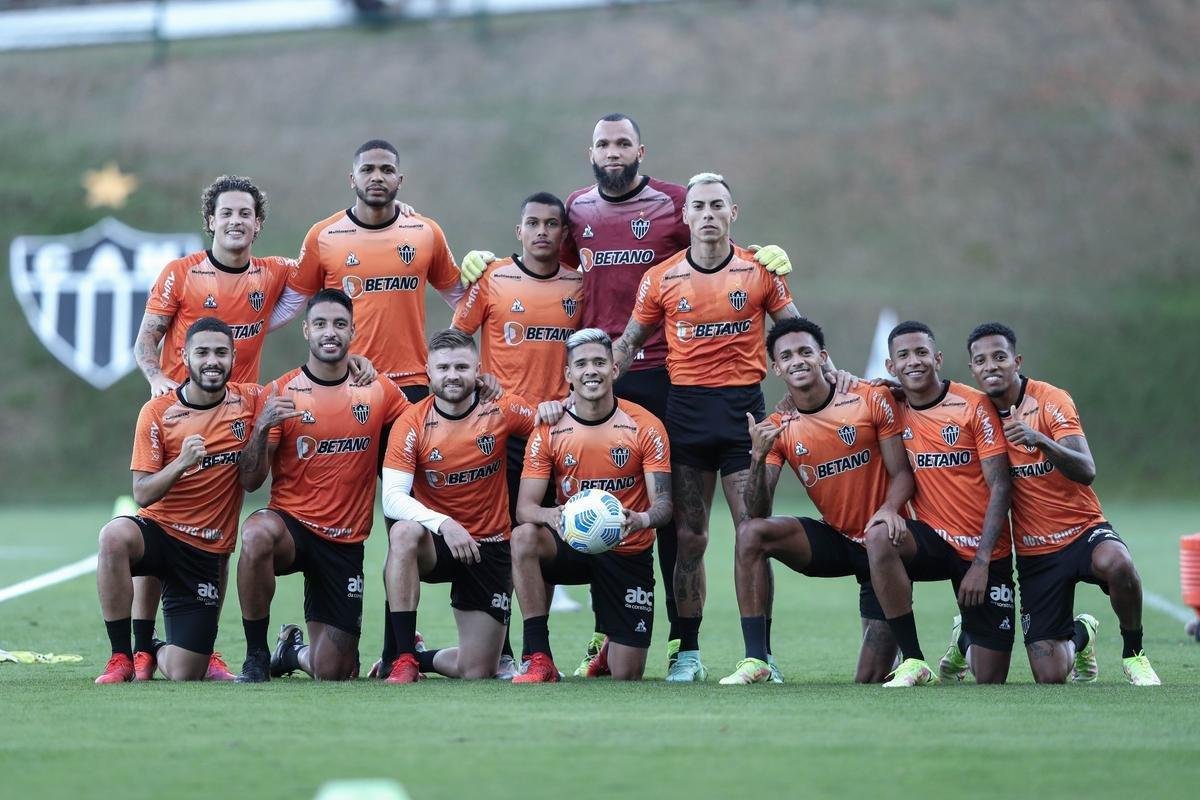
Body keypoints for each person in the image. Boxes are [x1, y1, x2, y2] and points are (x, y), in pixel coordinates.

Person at [458, 114, 794, 671]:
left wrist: (764, 254)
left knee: (676, 527)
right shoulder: (578, 209)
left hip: (674, 374)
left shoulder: (676, 201)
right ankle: (605, 635)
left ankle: (681, 645)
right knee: (599, 495)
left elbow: (718, 250)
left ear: (641, 149)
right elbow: (546, 263)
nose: (612, 152)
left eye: (622, 143)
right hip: (607, 368)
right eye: (602, 143)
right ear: (589, 150)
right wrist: (483, 264)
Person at [129, 175, 375, 681]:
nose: (236, 221)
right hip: (181, 415)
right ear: (211, 221)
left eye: (245, 213)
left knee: (218, 535)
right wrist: (156, 380)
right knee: (161, 522)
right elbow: (147, 339)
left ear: (258, 223)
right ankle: (138, 644)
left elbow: (328, 261)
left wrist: (357, 358)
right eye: (227, 213)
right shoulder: (181, 273)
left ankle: (202, 644)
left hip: (239, 414)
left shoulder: (273, 274)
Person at [612, 172, 803, 682]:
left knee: (754, 533)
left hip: (744, 414)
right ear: (686, 215)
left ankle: (759, 657)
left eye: (719, 205)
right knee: (690, 538)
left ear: (733, 213)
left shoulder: (760, 271)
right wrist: (593, 386)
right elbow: (629, 343)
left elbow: (795, 336)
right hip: (688, 415)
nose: (709, 214)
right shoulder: (662, 277)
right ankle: (687, 653)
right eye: (700, 205)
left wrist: (815, 388)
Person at [962, 322, 1160, 685]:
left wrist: (1040, 440)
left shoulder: (1051, 400)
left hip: (1082, 530)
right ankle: (1082, 634)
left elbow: (1086, 470)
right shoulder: (975, 412)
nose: (991, 366)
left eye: (999, 357)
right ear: (971, 369)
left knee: (1117, 563)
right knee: (1050, 675)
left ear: (1016, 361)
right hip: (1036, 552)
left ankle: (1134, 654)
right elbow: (929, 398)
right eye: (981, 360)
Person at [719, 318, 915, 684]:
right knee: (750, 532)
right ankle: (756, 660)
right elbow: (758, 510)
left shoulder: (868, 397)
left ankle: (947, 639)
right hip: (838, 540)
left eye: (806, 352)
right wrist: (757, 459)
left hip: (883, 543)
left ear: (822, 357)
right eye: (787, 356)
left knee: (869, 678)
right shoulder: (778, 426)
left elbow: (902, 472)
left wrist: (888, 511)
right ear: (776, 368)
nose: (798, 361)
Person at [234, 289, 409, 682]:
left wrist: (480, 392)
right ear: (306, 330)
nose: (330, 332)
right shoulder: (281, 391)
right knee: (257, 534)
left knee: (334, 672)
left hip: (343, 542)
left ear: (353, 331)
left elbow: (424, 425)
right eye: (321, 324)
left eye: (340, 324)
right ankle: (257, 655)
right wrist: (261, 428)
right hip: (292, 528)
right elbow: (249, 481)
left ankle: (290, 651)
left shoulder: (378, 388)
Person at [452, 191, 585, 669]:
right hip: (503, 429)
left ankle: (537, 647)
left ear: (564, 234)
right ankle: (505, 651)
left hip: (558, 433)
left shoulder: (579, 285)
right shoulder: (492, 278)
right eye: (533, 223)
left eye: (553, 224)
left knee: (543, 541)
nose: (543, 232)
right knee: (500, 537)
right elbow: (456, 337)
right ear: (519, 231)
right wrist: (475, 376)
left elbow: (594, 354)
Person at [95, 318, 260, 683]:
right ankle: (121, 656)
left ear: (234, 356)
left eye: (220, 352)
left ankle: (151, 648)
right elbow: (142, 491)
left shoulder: (250, 401)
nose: (211, 361)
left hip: (202, 551)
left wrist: (360, 365)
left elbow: (302, 387)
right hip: (157, 532)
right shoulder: (157, 412)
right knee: (112, 536)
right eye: (202, 352)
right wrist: (181, 463)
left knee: (187, 673)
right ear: (185, 356)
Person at [510, 329, 673, 683]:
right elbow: (525, 508)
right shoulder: (549, 430)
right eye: (581, 364)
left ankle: (609, 649)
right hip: (573, 543)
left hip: (627, 549)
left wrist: (640, 518)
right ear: (568, 374)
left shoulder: (645, 426)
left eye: (599, 362)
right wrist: (550, 515)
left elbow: (664, 505)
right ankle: (538, 657)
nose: (591, 371)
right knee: (524, 537)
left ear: (615, 369)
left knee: (627, 674)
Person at [376, 330, 536, 682]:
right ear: (428, 372)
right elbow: (392, 498)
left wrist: (556, 410)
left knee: (477, 671)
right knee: (402, 532)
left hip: (489, 545)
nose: (452, 375)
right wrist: (445, 524)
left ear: (478, 369)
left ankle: (422, 656)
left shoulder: (504, 408)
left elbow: (550, 428)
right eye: (443, 367)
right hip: (438, 544)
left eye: (461, 366)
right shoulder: (411, 422)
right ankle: (402, 659)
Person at [863, 321, 1014, 687]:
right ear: (891, 367)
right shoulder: (891, 405)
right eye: (904, 355)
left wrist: (980, 562)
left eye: (921, 352)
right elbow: (833, 391)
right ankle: (914, 658)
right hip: (932, 538)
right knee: (880, 535)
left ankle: (965, 639)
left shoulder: (974, 405)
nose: (914, 361)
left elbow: (1001, 486)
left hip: (982, 551)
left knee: (989, 678)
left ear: (938, 358)